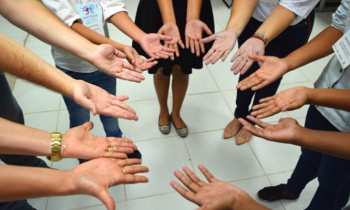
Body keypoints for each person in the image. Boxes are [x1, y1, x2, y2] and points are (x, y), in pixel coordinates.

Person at [0, 0, 145, 208]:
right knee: (79, 118)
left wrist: (58, 144)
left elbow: (16, 5)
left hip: (91, 69)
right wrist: (65, 176)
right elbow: (65, 19)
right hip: (70, 66)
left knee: (110, 114)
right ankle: (78, 158)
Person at [232, 0, 350, 208]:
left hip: (339, 116)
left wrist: (310, 99)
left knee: (331, 186)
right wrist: (287, 65)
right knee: (309, 155)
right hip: (327, 91)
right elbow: (340, 26)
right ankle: (292, 189)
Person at [42, 0, 175, 160]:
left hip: (104, 65)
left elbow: (112, 6)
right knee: (80, 118)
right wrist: (118, 47)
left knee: (111, 109)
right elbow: (69, 23)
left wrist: (141, 37)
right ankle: (82, 153)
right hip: (72, 68)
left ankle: (118, 141)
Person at [201, 0, 317, 145]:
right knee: (247, 71)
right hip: (253, 16)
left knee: (270, 76)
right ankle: (240, 115)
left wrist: (259, 37)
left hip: (291, 26)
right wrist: (232, 30)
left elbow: (291, 6)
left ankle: (252, 121)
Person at [132, 0, 214, 137]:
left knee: (182, 68)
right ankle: (163, 110)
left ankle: (176, 113)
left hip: (193, 6)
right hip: (157, 7)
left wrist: (192, 17)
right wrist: (169, 21)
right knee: (161, 66)